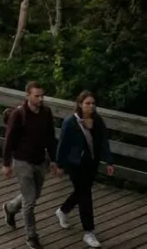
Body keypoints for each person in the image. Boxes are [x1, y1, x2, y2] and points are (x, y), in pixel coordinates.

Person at [3, 81, 60, 249]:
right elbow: (9, 140)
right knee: (30, 202)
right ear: (27, 95)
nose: (40, 99)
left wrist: (54, 159)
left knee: (35, 195)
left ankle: (10, 208)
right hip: (22, 161)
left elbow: (50, 137)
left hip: (39, 160)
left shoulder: (46, 112)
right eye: (37, 96)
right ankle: (31, 236)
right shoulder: (19, 114)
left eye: (42, 95)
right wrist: (7, 163)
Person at [55, 91, 114, 248]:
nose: (91, 106)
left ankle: (63, 210)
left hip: (91, 163)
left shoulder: (97, 120)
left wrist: (109, 161)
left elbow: (103, 141)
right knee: (85, 195)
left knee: (82, 191)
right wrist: (59, 165)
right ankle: (89, 232)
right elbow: (63, 145)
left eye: (93, 103)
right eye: (87, 103)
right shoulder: (70, 122)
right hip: (75, 164)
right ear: (80, 104)